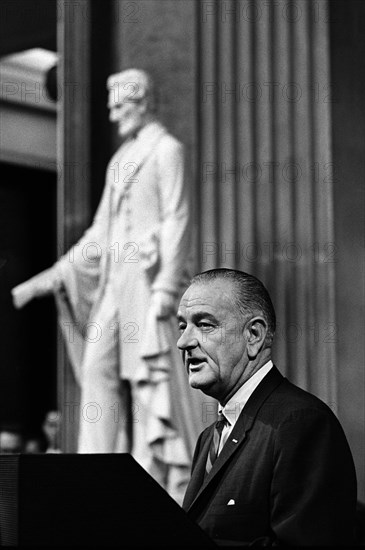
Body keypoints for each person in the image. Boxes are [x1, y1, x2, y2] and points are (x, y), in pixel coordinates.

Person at [11, 69, 202, 501]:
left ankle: (151, 488)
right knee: (97, 369)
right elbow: (99, 235)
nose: (114, 116)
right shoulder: (120, 161)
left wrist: (168, 290)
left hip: (147, 281)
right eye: (111, 107)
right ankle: (94, 477)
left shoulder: (166, 150)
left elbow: (178, 219)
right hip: (116, 282)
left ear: (143, 102)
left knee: (145, 382)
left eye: (120, 107)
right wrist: (48, 279)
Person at [177, 268, 357, 546]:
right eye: (182, 326)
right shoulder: (208, 438)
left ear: (254, 335)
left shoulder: (300, 423)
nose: (184, 342)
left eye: (204, 325)